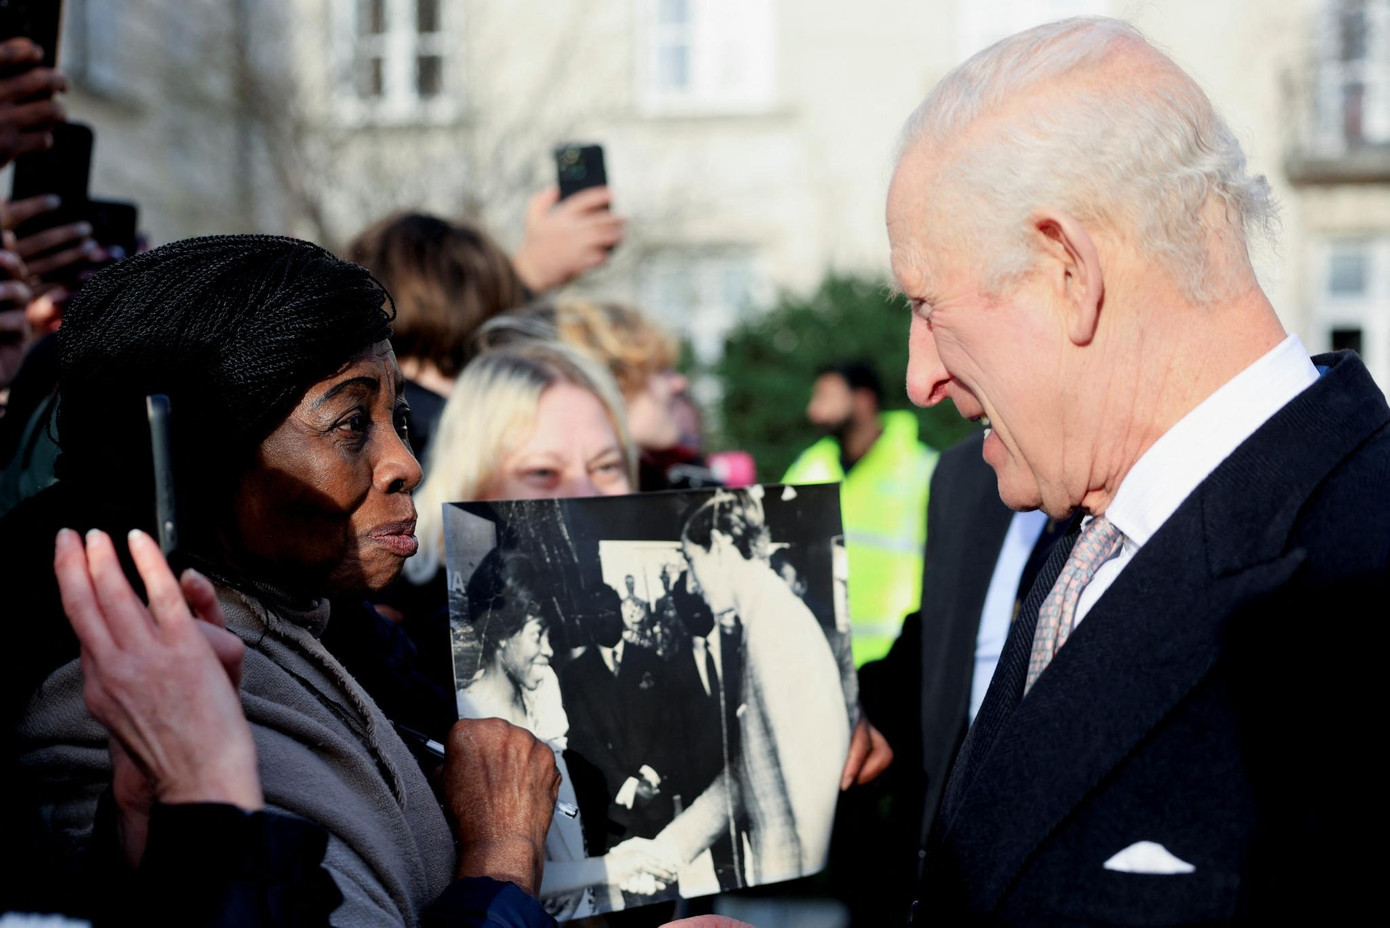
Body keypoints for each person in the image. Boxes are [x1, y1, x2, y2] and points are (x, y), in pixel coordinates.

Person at [886, 16, 1390, 925]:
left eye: (929, 305)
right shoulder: (1086, 533)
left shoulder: (1361, 571)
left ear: (1067, 269)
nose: (918, 376)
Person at [0, 235, 563, 925]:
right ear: (194, 459)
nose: (405, 465)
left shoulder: (326, 637)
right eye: (352, 422)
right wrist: (503, 857)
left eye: (400, 420)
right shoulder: (122, 699)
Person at [457, 548, 676, 920]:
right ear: (502, 634)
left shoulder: (544, 689)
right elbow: (504, 877)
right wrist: (613, 868)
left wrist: (611, 864)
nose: (548, 650)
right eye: (538, 634)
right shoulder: (470, 720)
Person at [653, 490, 853, 886]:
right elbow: (749, 771)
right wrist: (668, 848)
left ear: (722, 547)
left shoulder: (777, 631)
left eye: (693, 562)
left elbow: (814, 798)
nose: (692, 583)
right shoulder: (763, 620)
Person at [782, 362, 937, 665]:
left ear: (863, 400)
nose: (815, 410)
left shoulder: (923, 469)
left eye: (826, 396)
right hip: (822, 661)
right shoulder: (808, 467)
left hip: (903, 664)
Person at [475, 301, 695, 490]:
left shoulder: (677, 478)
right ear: (614, 380)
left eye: (607, 468)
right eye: (658, 369)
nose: (679, 383)